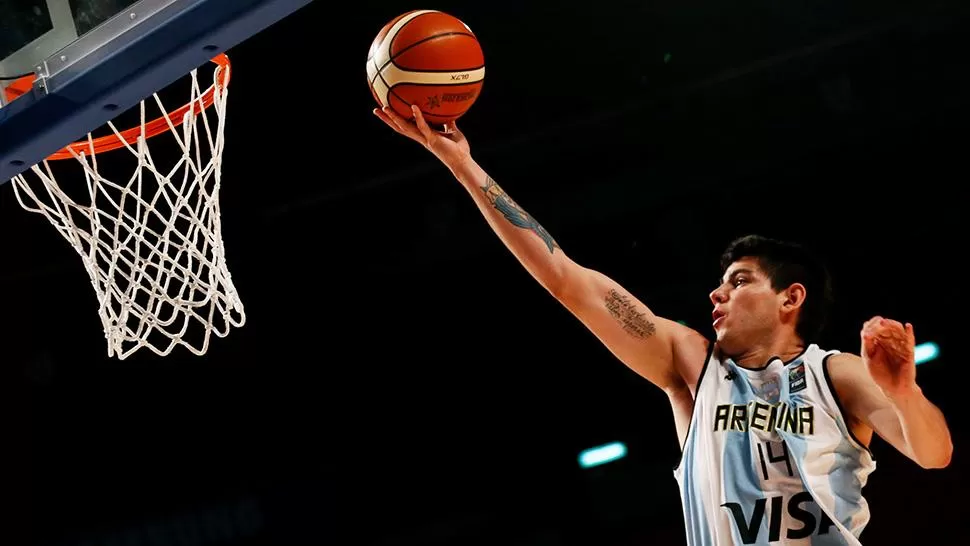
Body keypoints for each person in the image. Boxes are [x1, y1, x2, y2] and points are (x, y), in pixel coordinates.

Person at [372, 104, 953, 545]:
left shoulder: (835, 374)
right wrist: (463, 164)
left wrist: (903, 391)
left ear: (790, 297)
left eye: (741, 281)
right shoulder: (692, 365)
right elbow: (564, 278)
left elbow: (933, 454)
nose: (717, 293)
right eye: (722, 282)